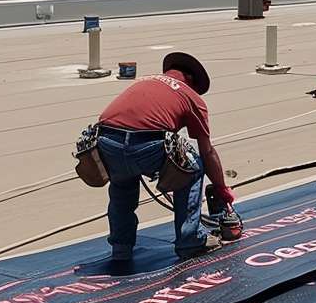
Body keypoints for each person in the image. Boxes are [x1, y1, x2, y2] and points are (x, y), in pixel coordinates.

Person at [92, 52, 236, 262]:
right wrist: (222, 188)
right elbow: (207, 151)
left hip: (106, 141)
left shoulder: (146, 81)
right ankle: (190, 241)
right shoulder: (190, 96)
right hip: (145, 146)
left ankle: (121, 248)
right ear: (192, 80)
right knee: (193, 166)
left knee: (123, 184)